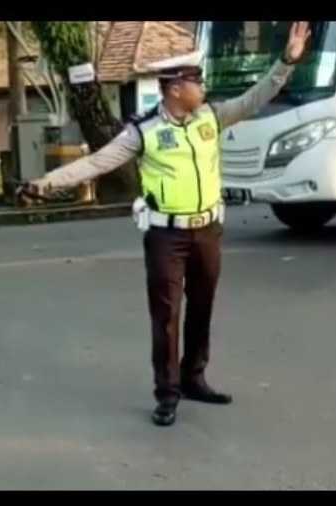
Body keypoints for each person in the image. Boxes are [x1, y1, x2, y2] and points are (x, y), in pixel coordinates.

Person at [29, 22, 311, 426]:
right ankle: (168, 393)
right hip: (166, 235)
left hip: (208, 231)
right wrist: (47, 183)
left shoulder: (211, 117)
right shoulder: (144, 131)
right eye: (196, 82)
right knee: (166, 317)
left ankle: (194, 377)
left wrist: (286, 61)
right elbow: (97, 162)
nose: (203, 88)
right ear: (176, 88)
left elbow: (255, 99)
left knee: (202, 308)